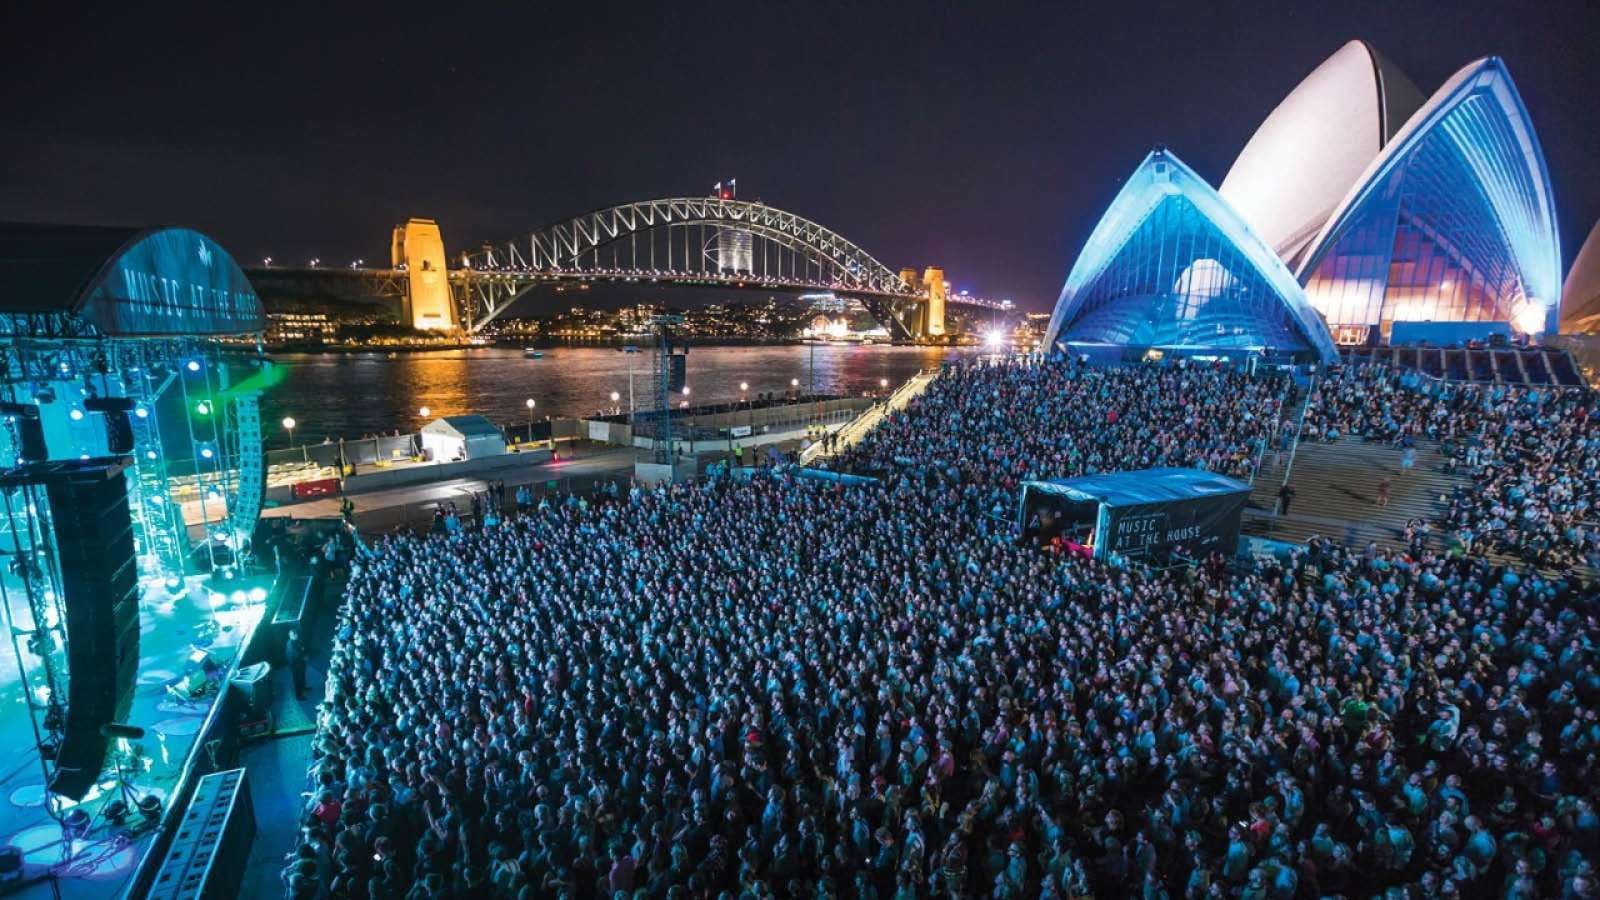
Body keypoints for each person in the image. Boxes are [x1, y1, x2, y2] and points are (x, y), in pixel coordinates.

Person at [285, 628, 308, 700]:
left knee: (302, 676)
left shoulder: (296, 641)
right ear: (292, 636)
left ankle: (304, 687)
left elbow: (302, 648)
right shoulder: (290, 644)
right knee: (297, 679)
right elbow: (297, 654)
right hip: (296, 666)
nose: (297, 635)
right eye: (295, 634)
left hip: (300, 663)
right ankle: (299, 695)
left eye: (296, 633)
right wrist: (303, 657)